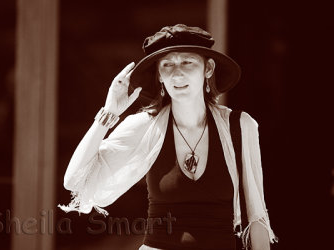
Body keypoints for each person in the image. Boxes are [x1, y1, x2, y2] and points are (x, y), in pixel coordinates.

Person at [59, 24, 278, 250]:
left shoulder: (240, 126)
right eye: (167, 65)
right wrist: (109, 113)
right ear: (160, 76)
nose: (177, 73)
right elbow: (74, 180)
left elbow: (256, 217)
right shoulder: (146, 126)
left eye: (187, 62)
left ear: (208, 68)